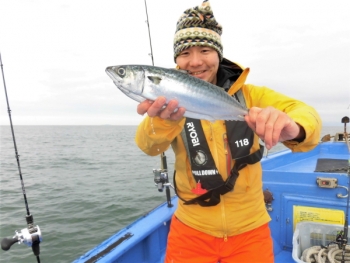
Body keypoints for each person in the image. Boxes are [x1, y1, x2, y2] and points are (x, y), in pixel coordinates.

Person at [135, 1, 321, 262]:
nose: (195, 61)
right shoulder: (166, 97)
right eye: (185, 53)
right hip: (191, 229)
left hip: (250, 229)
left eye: (205, 50)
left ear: (218, 53)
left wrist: (295, 128)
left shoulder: (251, 95)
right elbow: (147, 145)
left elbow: (305, 113)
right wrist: (164, 120)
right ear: (176, 58)